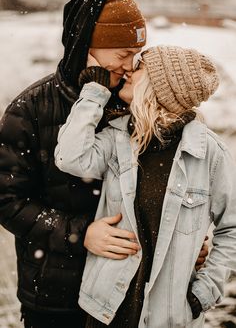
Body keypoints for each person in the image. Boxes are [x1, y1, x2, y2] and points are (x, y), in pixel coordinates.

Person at [0, 0, 207, 328]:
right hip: (56, 296)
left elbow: (170, 183)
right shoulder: (30, 109)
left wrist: (188, 236)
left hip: (131, 296)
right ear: (85, 46)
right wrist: (80, 235)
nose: (130, 66)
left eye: (136, 54)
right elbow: (7, 199)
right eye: (122, 54)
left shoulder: (135, 105)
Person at [55, 45, 236, 328]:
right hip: (107, 308)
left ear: (159, 87)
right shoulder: (118, 137)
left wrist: (206, 289)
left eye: (139, 67)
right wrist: (94, 92)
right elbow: (70, 157)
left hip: (171, 314)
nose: (128, 70)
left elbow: (232, 228)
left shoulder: (210, 154)